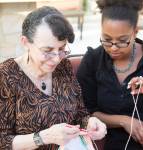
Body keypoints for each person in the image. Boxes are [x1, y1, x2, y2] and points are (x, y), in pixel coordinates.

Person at [0, 6, 107, 150]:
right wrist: (43, 137)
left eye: (62, 49)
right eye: (47, 51)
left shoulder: (64, 66)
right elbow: (2, 140)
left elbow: (80, 114)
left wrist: (90, 122)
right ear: (25, 42)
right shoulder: (6, 75)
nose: (57, 59)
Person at [77, 0, 143, 149]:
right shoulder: (93, 61)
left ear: (135, 31)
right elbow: (85, 113)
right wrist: (125, 121)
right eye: (107, 39)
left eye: (123, 41)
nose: (114, 48)